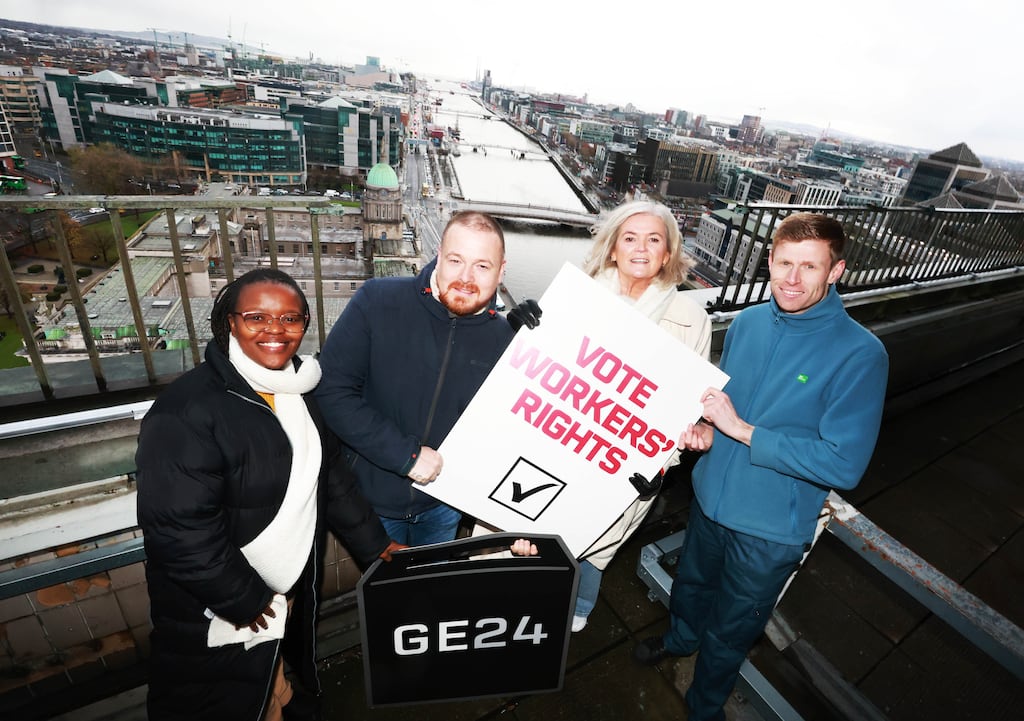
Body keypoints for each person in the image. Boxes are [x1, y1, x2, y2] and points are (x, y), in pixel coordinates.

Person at [633, 212, 889, 721]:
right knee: (690, 588)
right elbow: (723, 406)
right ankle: (681, 641)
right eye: (784, 263)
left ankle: (704, 705)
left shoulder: (862, 354)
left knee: (732, 629)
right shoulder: (748, 323)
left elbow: (843, 464)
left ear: (835, 272)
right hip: (709, 501)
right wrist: (707, 433)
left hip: (770, 529)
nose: (792, 280)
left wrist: (740, 431)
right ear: (769, 261)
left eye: (810, 267)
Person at [136, 269, 402, 721]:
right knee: (226, 695)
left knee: (264, 676)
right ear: (229, 323)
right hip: (223, 601)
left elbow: (330, 474)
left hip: (282, 586)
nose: (275, 330)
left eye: (290, 319)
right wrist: (245, 599)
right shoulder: (186, 409)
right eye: (257, 316)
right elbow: (179, 529)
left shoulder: (302, 388)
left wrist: (375, 544)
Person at [315, 211, 539, 546]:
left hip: (446, 504)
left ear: (501, 271)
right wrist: (406, 456)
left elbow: (528, 424)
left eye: (482, 265)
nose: (465, 277)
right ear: (438, 255)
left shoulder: (507, 340)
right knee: (386, 596)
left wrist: (543, 340)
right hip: (372, 499)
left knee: (430, 594)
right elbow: (332, 390)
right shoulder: (377, 300)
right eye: (455, 260)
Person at [569, 200, 712, 633]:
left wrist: (661, 463)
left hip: (627, 460)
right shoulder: (577, 296)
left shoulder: (691, 318)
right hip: (567, 438)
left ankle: (577, 609)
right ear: (612, 247)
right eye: (629, 238)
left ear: (667, 254)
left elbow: (688, 404)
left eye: (654, 240)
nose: (641, 249)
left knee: (597, 541)